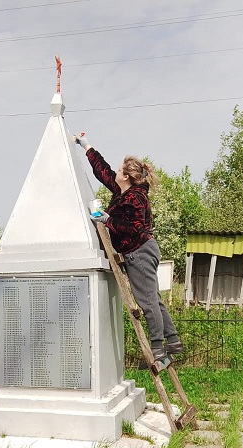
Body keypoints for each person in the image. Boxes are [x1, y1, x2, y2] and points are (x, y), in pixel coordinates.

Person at [73, 133, 183, 362]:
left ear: (127, 177)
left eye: (121, 170)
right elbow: (102, 171)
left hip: (140, 251)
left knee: (146, 301)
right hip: (142, 250)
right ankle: (173, 341)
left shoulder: (135, 198)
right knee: (153, 297)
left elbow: (133, 228)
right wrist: (86, 146)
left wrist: (107, 220)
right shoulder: (122, 191)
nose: (116, 172)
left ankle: (157, 350)